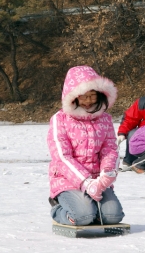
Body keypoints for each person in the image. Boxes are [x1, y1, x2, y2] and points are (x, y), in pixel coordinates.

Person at [47, 65, 124, 226]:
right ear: (73, 97)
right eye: (83, 96)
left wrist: (106, 174)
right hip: (68, 180)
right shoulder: (60, 120)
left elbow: (109, 149)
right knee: (82, 217)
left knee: (112, 217)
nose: (88, 101)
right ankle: (58, 209)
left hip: (97, 182)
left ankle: (93, 209)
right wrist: (85, 182)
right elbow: (62, 157)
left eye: (92, 96)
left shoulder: (105, 119)